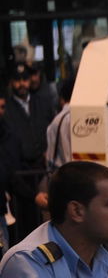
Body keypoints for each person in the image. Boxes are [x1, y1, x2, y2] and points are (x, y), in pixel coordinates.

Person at [3, 64, 57, 240]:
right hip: (18, 170)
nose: (21, 84)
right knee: (22, 220)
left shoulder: (41, 102)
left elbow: (49, 128)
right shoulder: (7, 108)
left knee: (43, 217)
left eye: (24, 79)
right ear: (11, 83)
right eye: (17, 81)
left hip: (41, 169)